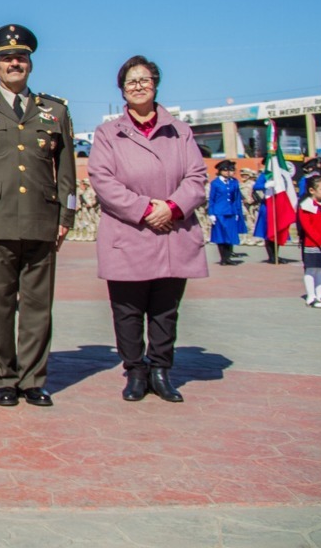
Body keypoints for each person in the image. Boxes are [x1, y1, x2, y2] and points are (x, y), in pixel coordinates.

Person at [0, 24, 76, 408]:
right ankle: (4, 378)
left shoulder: (55, 111)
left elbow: (68, 171)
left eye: (20, 58)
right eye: (6, 59)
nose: (14, 64)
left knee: (39, 307)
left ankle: (33, 379)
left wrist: (66, 218)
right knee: (1, 306)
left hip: (42, 221)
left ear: (30, 64)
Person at [88, 55, 209, 402]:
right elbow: (103, 180)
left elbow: (197, 177)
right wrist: (145, 210)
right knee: (127, 311)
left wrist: (171, 207)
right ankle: (135, 371)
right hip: (129, 233)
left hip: (173, 231)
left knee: (165, 310)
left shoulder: (180, 130)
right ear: (122, 90)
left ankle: (160, 369)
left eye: (144, 80)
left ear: (155, 84)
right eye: (131, 82)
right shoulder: (108, 133)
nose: (138, 86)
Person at [298, 175, 321, 308]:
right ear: (312, 190)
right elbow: (308, 227)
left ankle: (320, 294)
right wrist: (320, 242)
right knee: (311, 270)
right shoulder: (305, 206)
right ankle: (311, 296)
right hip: (313, 244)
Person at [208, 160, 245, 265]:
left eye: (230, 170)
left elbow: (236, 198)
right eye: (225, 170)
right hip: (219, 212)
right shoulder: (215, 183)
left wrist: (238, 211)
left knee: (230, 235)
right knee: (221, 236)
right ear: (220, 171)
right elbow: (212, 199)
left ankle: (228, 258)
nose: (228, 172)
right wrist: (211, 213)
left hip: (231, 212)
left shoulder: (234, 182)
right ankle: (223, 259)